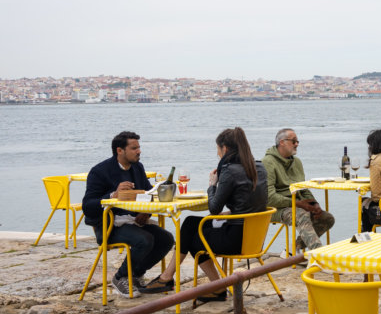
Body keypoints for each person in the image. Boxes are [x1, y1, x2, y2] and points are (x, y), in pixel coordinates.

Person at [142, 127, 267, 303]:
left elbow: (214, 208)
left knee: (194, 240)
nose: (218, 155)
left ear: (225, 149)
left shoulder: (230, 170)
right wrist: (232, 211)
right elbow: (256, 201)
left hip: (236, 240)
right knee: (190, 223)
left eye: (218, 150)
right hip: (254, 237)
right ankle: (167, 277)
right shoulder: (260, 167)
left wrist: (212, 185)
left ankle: (216, 287)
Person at [82, 131, 174, 297]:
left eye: (139, 147)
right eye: (134, 148)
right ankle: (120, 277)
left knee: (166, 239)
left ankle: (135, 274)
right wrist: (113, 195)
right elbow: (87, 206)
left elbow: (147, 193)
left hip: (134, 220)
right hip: (108, 225)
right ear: (120, 151)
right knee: (145, 240)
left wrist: (146, 213)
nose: (139, 151)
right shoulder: (99, 171)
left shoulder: (138, 167)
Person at [262, 128, 334, 256]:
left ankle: (292, 249)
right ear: (282, 142)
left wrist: (314, 204)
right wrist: (299, 204)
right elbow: (270, 197)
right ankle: (320, 257)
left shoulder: (297, 162)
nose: (297, 144)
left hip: (296, 204)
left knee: (327, 218)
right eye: (293, 141)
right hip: (275, 209)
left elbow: (303, 188)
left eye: (297, 141)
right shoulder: (268, 162)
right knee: (301, 214)